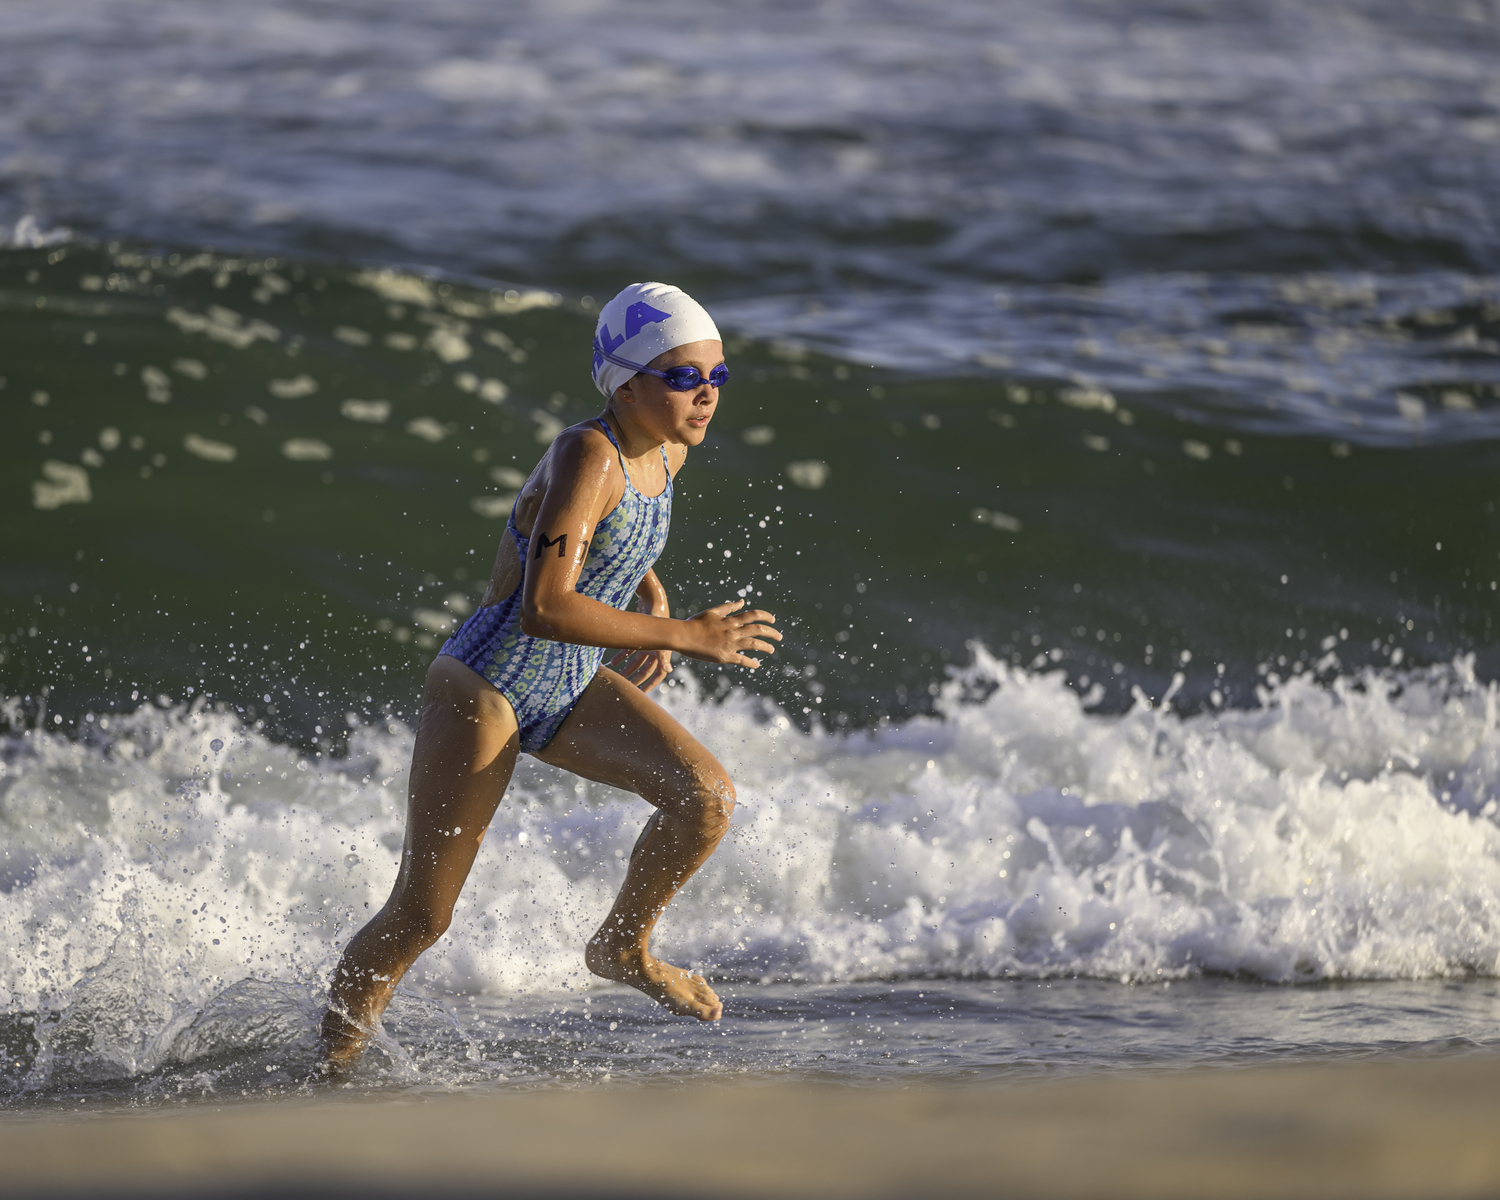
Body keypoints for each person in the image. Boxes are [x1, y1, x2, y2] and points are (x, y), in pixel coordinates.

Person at [319, 282, 780, 1068]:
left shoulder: (666, 447)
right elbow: (542, 606)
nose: (706, 394)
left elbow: (601, 533)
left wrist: (647, 584)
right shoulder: (587, 452)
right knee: (422, 917)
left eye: (717, 376)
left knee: (705, 799)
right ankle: (329, 1066)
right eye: (683, 377)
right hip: (487, 686)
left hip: (567, 683)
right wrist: (681, 633)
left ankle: (623, 950)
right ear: (626, 385)